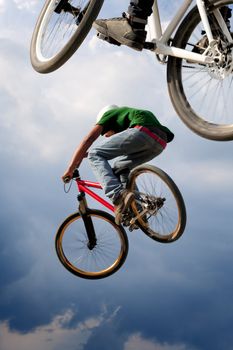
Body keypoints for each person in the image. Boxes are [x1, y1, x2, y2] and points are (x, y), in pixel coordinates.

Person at [62, 105, 174, 225]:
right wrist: (82, 157)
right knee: (121, 167)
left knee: (94, 153)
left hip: (143, 132)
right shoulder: (127, 116)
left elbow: (88, 139)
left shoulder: (109, 114)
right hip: (160, 143)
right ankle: (138, 212)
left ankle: (117, 195)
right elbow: (119, 145)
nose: (105, 136)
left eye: (105, 133)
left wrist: (70, 169)